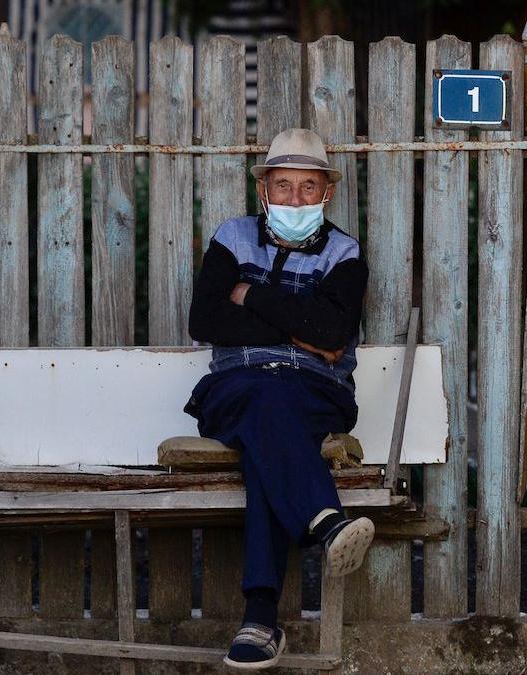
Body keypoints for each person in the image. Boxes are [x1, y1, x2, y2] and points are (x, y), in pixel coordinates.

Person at [183, 127, 374, 670]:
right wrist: (301, 329)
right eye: (283, 186)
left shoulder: (344, 252)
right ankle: (324, 521)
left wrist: (251, 297)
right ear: (263, 189)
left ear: (326, 194)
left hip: (316, 391)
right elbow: (206, 319)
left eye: (307, 188)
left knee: (270, 425)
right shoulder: (231, 237)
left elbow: (334, 333)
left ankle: (261, 618)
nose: (295, 199)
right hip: (233, 387)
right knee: (268, 407)